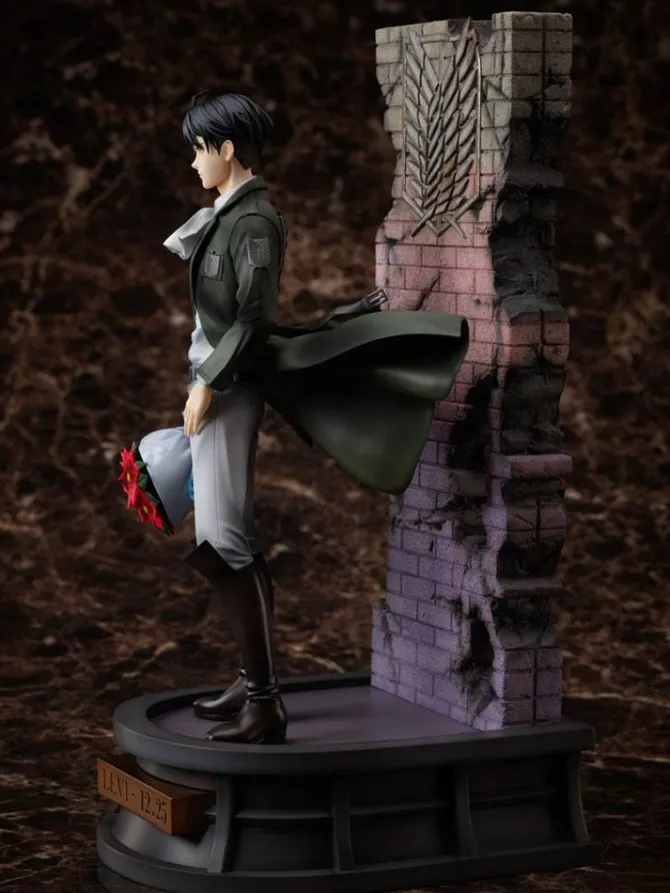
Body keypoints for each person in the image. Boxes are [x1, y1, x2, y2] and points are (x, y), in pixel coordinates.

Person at [118, 90, 471, 747]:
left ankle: (264, 704)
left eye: (199, 149)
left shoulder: (253, 223)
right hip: (215, 383)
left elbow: (253, 320)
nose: (192, 161)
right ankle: (250, 681)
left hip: (229, 388)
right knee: (229, 538)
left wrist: (208, 385)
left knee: (222, 539)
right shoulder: (228, 215)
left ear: (227, 149)